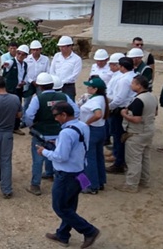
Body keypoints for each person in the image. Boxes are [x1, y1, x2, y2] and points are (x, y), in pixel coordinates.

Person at [38, 102, 101, 248]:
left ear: (64, 115)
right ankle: (62, 234)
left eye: (56, 115)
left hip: (66, 174)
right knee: (70, 206)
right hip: (80, 172)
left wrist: (44, 152)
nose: (55, 119)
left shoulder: (66, 132)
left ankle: (89, 231)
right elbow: (78, 145)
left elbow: (61, 157)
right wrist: (59, 142)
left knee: (60, 207)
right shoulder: (83, 126)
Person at [24, 72, 68, 196]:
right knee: (57, 157)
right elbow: (74, 111)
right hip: (58, 133)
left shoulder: (38, 98)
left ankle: (35, 185)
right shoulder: (63, 97)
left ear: (39, 86)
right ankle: (53, 176)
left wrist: (31, 125)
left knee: (38, 160)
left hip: (41, 133)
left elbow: (29, 115)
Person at [116, 74, 157, 193]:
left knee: (133, 160)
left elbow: (137, 119)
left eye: (133, 83)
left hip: (137, 132)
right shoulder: (152, 96)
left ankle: (131, 185)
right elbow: (155, 113)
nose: (131, 85)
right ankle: (145, 181)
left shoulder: (139, 100)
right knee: (145, 157)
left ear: (139, 86)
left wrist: (124, 114)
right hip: (148, 130)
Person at [106, 57, 136, 174]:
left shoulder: (124, 80)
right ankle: (119, 159)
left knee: (118, 135)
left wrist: (110, 107)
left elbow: (120, 98)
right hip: (125, 107)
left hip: (120, 109)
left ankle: (119, 163)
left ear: (122, 67)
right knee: (119, 135)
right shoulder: (132, 76)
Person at [80, 77, 108, 194]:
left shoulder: (95, 101)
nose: (87, 88)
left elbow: (98, 114)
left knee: (89, 158)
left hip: (92, 130)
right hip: (100, 129)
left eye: (89, 87)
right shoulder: (101, 98)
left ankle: (92, 186)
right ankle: (100, 181)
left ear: (95, 89)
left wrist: (87, 123)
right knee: (98, 156)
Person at [3, 44, 29, 134]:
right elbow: (7, 64)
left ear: (26, 56)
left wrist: (24, 81)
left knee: (18, 107)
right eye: (19, 53)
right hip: (10, 89)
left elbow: (25, 75)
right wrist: (5, 65)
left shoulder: (25, 65)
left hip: (19, 89)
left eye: (23, 54)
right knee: (8, 108)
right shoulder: (11, 62)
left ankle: (16, 127)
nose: (20, 55)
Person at [25, 39, 50, 108]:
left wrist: (41, 81)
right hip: (29, 82)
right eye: (33, 50)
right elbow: (24, 72)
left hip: (41, 84)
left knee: (41, 100)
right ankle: (25, 116)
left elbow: (47, 71)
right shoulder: (26, 59)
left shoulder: (45, 59)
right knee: (27, 101)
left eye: (37, 50)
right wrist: (31, 81)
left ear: (40, 50)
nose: (35, 52)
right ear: (31, 50)